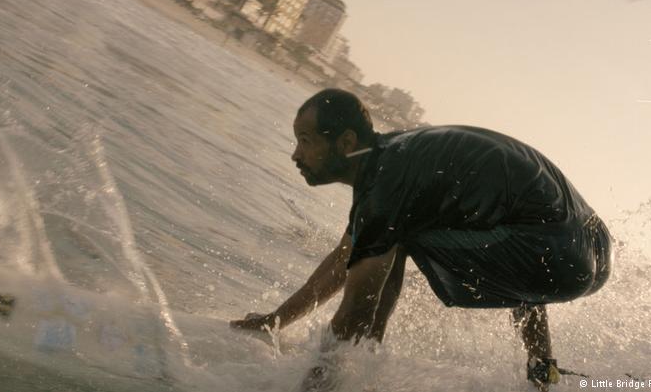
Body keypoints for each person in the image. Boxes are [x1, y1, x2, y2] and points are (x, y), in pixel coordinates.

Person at [231, 89, 612, 391]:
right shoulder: (394, 162)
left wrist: (313, 383)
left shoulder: (388, 184)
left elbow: (358, 305)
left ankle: (361, 371)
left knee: (400, 239)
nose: (296, 154)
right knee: (406, 238)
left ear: (346, 142)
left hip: (557, 255)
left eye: (305, 140)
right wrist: (275, 321)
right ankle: (543, 380)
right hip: (582, 252)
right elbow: (345, 257)